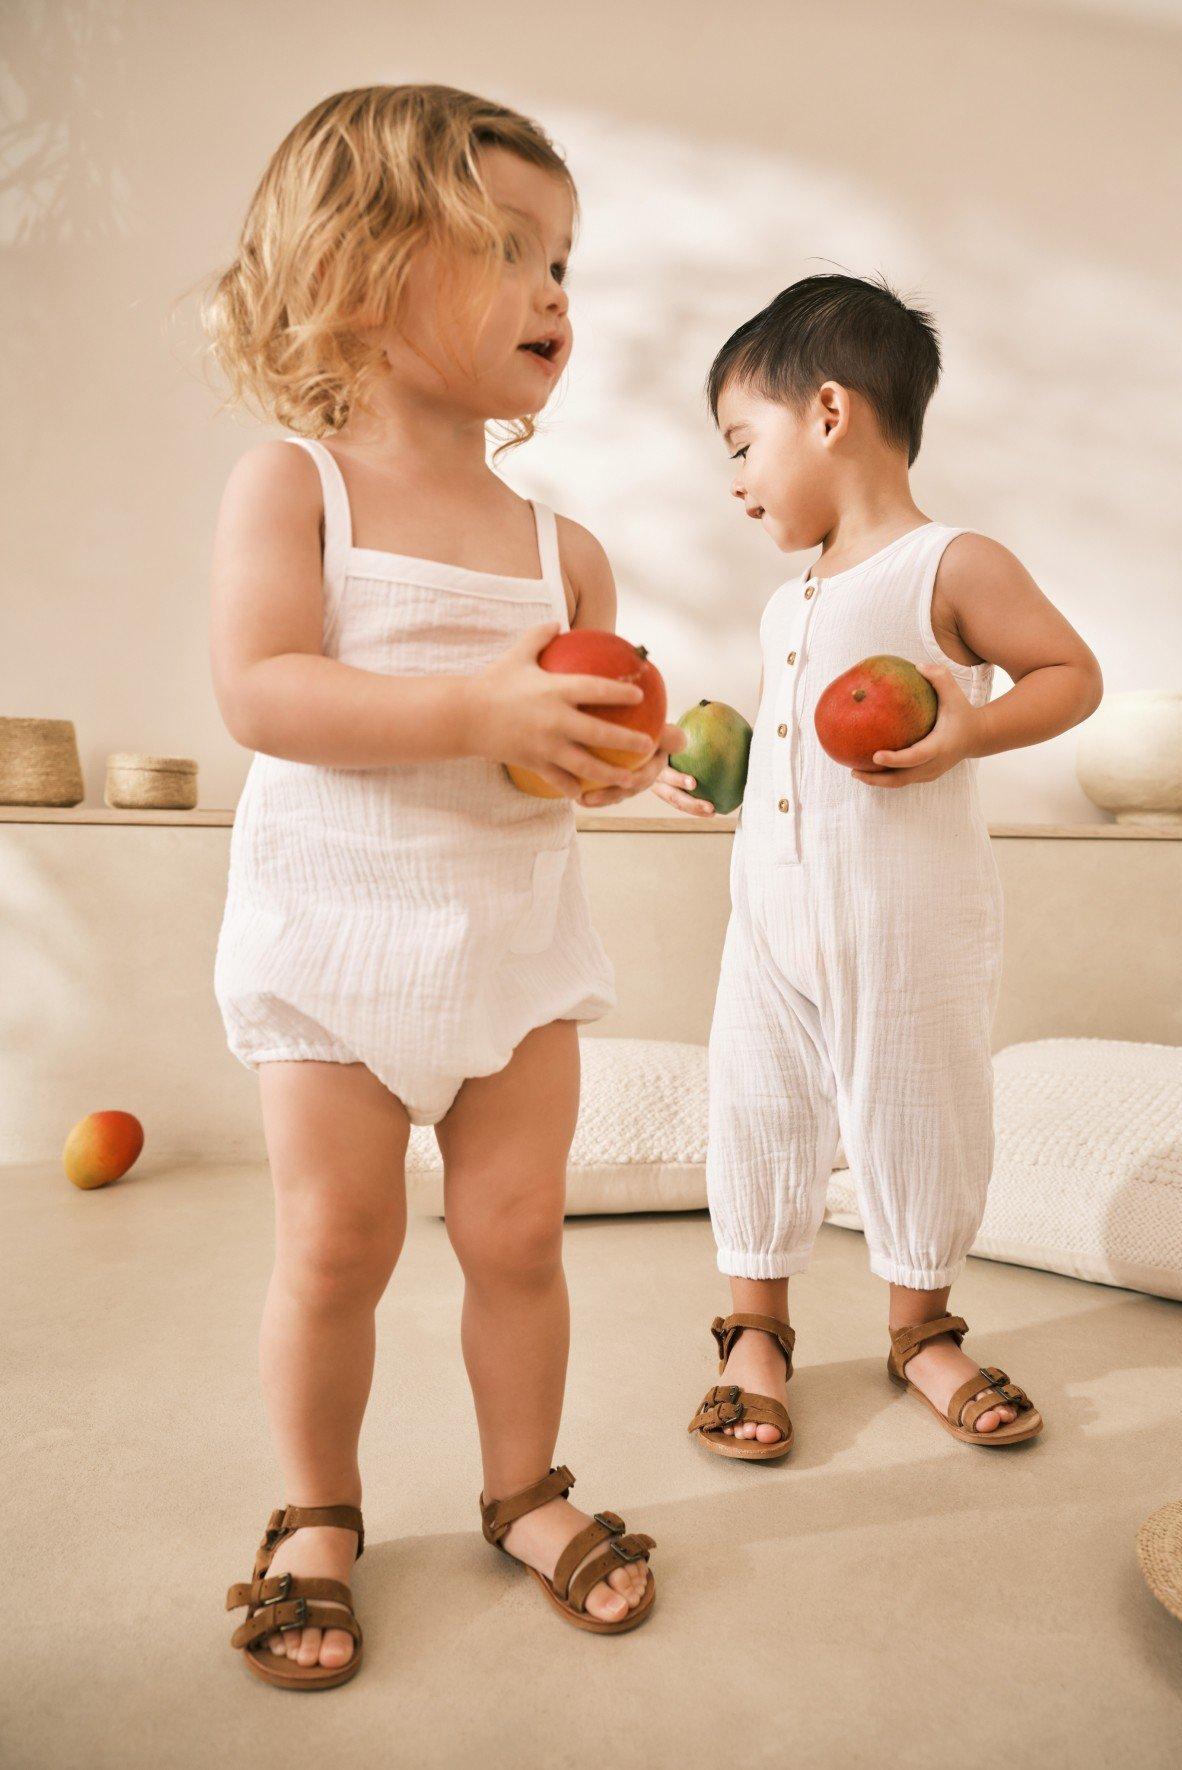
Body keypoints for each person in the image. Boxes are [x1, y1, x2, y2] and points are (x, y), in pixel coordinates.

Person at [207, 85, 679, 1686]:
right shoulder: (299, 489)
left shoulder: (566, 551)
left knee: (517, 1234)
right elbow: (264, 692)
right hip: (335, 936)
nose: (557, 290)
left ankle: (520, 1487)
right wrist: (478, 707)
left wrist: (605, 761)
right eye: (509, 249)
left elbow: (571, 754)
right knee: (335, 1243)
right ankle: (318, 1512)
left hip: (511, 943)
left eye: (566, 259)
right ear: (354, 266)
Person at [653, 273, 1102, 1461]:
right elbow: (795, 744)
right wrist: (710, 772)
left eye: (744, 444)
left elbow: (1070, 675)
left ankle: (922, 1331)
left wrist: (966, 731)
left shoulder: (951, 563)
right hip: (772, 915)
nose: (737, 481)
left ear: (833, 414)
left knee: (916, 1107)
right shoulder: (786, 600)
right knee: (755, 1108)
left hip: (905, 916)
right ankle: (754, 1332)